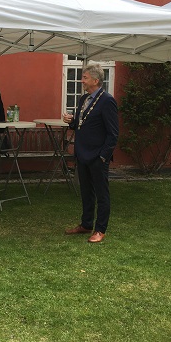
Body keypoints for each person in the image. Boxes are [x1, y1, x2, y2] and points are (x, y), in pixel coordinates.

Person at [64, 63, 119, 244]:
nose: (82, 81)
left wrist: (103, 156)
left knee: (102, 194)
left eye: (85, 78)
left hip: (97, 156)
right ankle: (86, 224)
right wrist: (71, 121)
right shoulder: (83, 99)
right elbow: (80, 124)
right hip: (82, 154)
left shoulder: (107, 101)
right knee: (86, 192)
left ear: (96, 80)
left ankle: (100, 229)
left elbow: (113, 133)